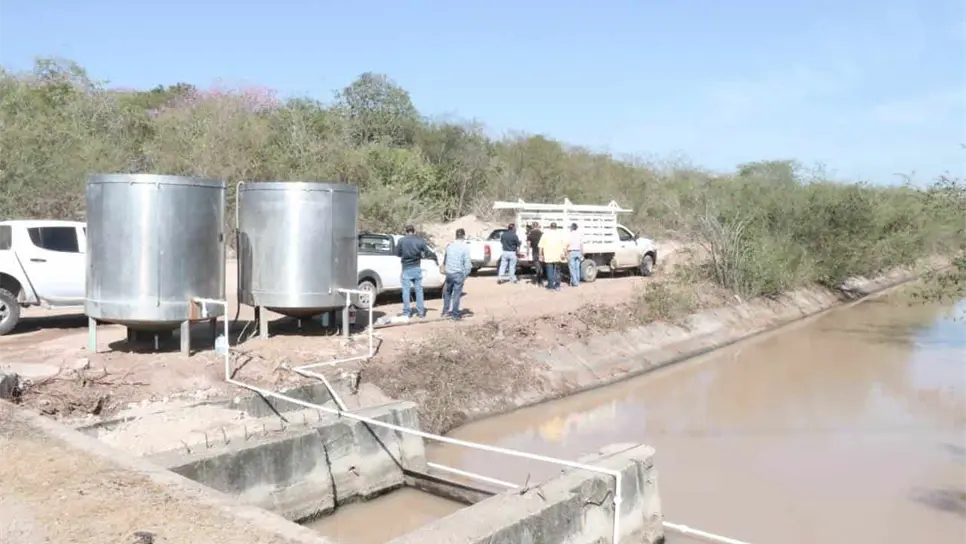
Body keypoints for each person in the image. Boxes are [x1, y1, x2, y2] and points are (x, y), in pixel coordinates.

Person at [394, 225, 429, 318]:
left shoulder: (401, 240)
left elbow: (397, 253)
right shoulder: (420, 240)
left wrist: (403, 254)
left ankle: (407, 312)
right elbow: (427, 252)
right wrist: (421, 255)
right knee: (419, 291)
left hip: (406, 268)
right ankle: (421, 312)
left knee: (406, 291)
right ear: (414, 231)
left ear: (406, 232)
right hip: (417, 267)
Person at [441, 228, 472, 320]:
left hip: (449, 273)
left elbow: (446, 260)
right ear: (463, 236)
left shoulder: (449, 246)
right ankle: (455, 314)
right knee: (457, 294)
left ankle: (445, 312)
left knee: (447, 293)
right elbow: (468, 264)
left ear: (456, 236)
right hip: (458, 273)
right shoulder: (465, 248)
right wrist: (465, 275)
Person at [539, 222, 566, 291]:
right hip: (558, 256)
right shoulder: (560, 234)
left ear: (550, 227)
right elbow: (564, 246)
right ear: (556, 227)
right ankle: (557, 285)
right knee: (557, 271)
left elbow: (541, 246)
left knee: (549, 271)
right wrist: (564, 254)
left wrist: (540, 255)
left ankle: (550, 286)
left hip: (548, 256)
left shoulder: (545, 234)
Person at [566, 222, 583, 287]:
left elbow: (567, 244)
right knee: (577, 268)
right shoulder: (579, 235)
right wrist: (581, 253)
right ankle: (577, 281)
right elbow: (581, 245)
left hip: (571, 252)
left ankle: (575, 282)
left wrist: (566, 252)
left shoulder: (569, 235)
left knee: (572, 268)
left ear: (572, 228)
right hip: (578, 252)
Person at [527, 222, 544, 286]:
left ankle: (538, 280)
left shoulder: (530, 234)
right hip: (542, 252)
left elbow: (528, 244)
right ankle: (541, 280)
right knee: (541, 266)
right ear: (538, 226)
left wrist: (527, 251)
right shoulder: (542, 234)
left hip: (535, 251)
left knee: (537, 266)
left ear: (532, 226)